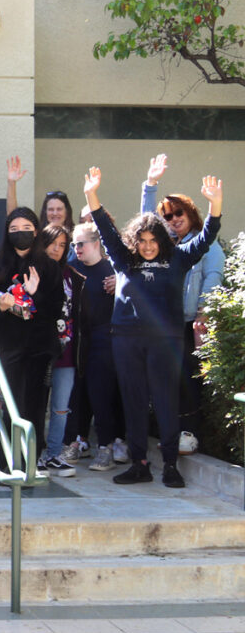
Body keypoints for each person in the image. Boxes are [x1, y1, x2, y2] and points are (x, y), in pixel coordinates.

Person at [84, 167, 222, 488]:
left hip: (165, 341)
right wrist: (92, 194)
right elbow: (104, 228)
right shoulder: (123, 258)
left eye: (153, 240)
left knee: (165, 401)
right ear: (135, 240)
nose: (147, 247)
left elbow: (207, 237)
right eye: (142, 240)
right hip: (126, 339)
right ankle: (139, 464)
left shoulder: (179, 258)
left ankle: (170, 466)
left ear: (162, 239)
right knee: (133, 401)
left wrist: (215, 204)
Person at [139, 153, 226, 455]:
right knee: (166, 381)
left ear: (190, 214)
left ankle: (189, 435)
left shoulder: (204, 244)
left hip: (192, 324)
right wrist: (150, 184)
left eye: (179, 214)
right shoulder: (161, 249)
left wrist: (203, 312)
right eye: (168, 215)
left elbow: (213, 276)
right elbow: (144, 224)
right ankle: (167, 431)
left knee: (190, 381)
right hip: (164, 326)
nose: (173, 219)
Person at [0, 207, 65, 475]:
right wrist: (3, 307)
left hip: (39, 347)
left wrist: (33, 295)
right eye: (14, 229)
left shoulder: (49, 267)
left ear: (36, 231)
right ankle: (8, 461)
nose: (21, 234)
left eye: (26, 229)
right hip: (8, 345)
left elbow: (55, 308)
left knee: (34, 405)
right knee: (10, 404)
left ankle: (30, 462)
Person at [65, 222, 125, 471]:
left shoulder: (113, 271)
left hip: (103, 338)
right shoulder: (70, 269)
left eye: (81, 244)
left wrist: (119, 285)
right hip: (76, 339)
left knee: (101, 394)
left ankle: (105, 447)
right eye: (73, 244)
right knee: (75, 395)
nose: (77, 249)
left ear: (96, 243)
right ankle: (75, 443)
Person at [39, 224, 85, 475]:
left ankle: (54, 453)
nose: (56, 249)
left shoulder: (73, 275)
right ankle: (33, 453)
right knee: (35, 404)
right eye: (52, 243)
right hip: (39, 349)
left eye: (62, 245)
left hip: (67, 351)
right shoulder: (33, 270)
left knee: (60, 406)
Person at [6, 156, 76, 230]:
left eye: (59, 209)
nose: (55, 213)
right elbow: (13, 218)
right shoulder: (38, 234)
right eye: (51, 209)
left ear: (67, 211)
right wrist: (11, 183)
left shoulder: (76, 236)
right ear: (45, 212)